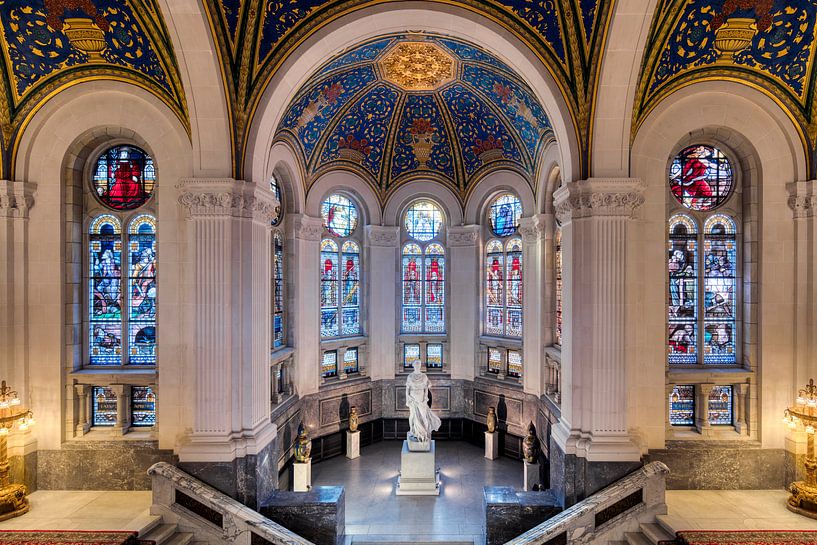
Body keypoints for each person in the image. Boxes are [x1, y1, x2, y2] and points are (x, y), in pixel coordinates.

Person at [405, 359, 440, 443]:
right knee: (412, 415)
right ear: (413, 366)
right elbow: (407, 389)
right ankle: (412, 431)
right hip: (413, 398)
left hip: (421, 398)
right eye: (416, 364)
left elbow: (426, 389)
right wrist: (408, 398)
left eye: (419, 365)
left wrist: (425, 398)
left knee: (423, 416)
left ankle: (426, 432)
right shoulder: (410, 376)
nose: (418, 366)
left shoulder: (424, 376)